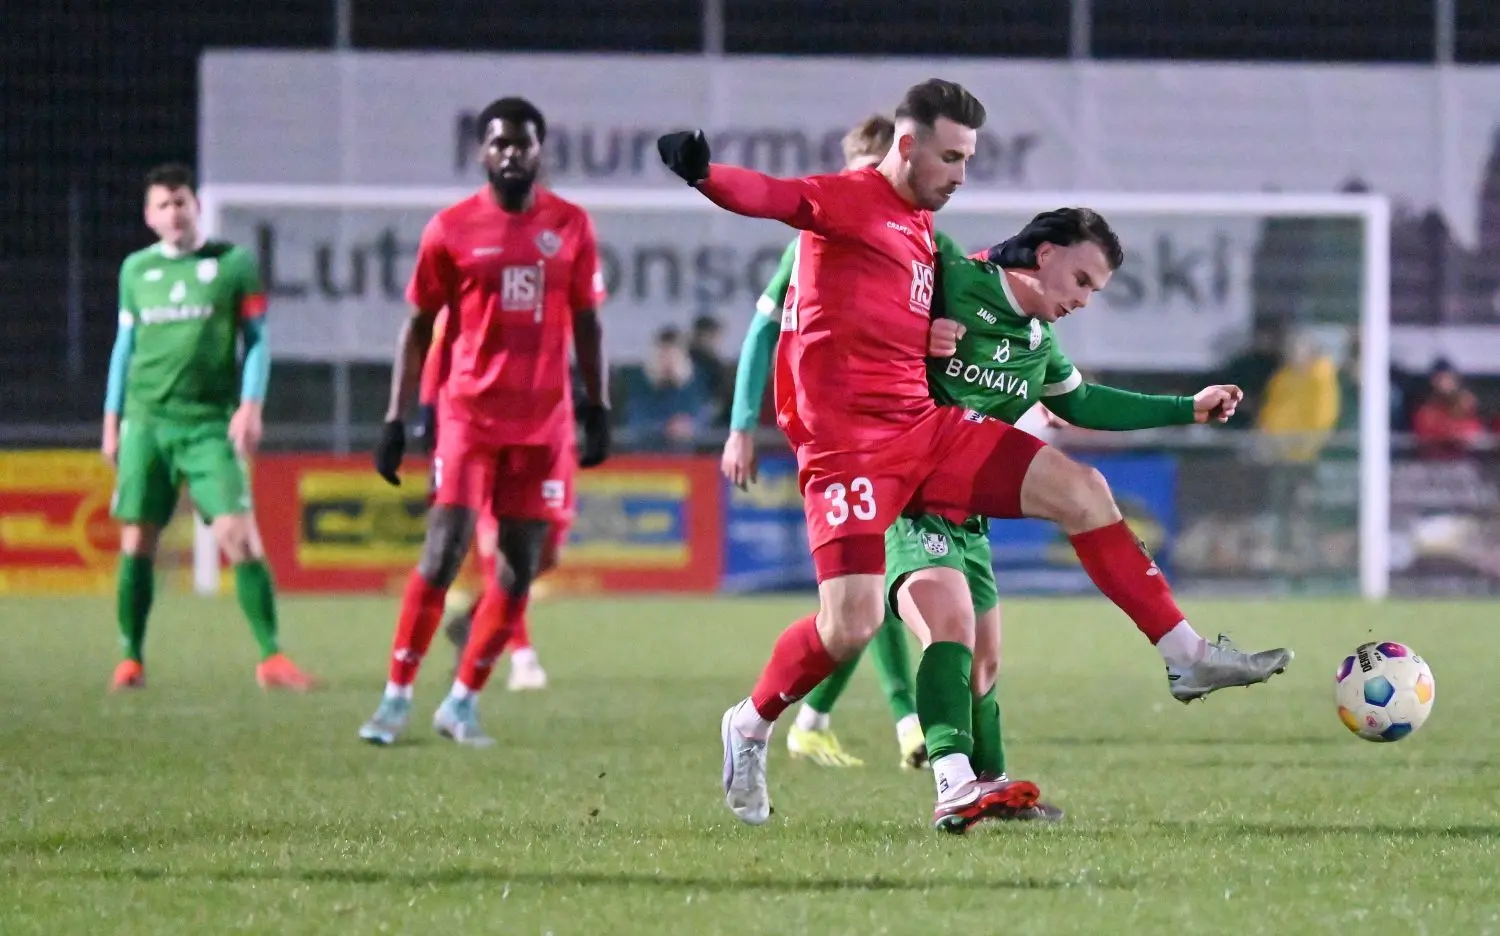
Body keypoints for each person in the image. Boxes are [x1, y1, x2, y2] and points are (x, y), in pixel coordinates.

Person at [657, 77, 1293, 832]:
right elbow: (774, 195)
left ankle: (1184, 655)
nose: (961, 175)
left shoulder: (930, 239)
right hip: (848, 454)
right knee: (850, 627)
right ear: (907, 145)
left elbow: (975, 334)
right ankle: (752, 722)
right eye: (951, 157)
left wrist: (925, 337)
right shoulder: (853, 199)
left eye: (968, 160)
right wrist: (704, 174)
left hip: (923, 430)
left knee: (1082, 490)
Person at [894, 208, 1251, 829]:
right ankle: (951, 782)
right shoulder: (952, 280)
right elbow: (870, 313)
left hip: (969, 508)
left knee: (984, 662)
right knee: (949, 629)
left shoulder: (1037, 340)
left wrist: (1187, 407)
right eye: (1082, 280)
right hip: (905, 493)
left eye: (1096, 289)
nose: (1085, 299)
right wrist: (912, 334)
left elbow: (1082, 402)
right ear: (1046, 254)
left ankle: (992, 789)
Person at [359, 96, 610, 747]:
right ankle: (395, 697)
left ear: (539, 149)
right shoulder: (450, 229)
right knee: (443, 551)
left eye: (521, 144)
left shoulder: (572, 226)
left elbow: (587, 320)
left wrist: (596, 405)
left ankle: (462, 701)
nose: (510, 154)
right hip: (469, 415)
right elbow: (416, 327)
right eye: (498, 144)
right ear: (481, 151)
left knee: (520, 569)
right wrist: (397, 415)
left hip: (545, 424)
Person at [722, 114, 931, 772]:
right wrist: (740, 426)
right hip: (835, 435)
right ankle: (899, 722)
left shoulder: (914, 235)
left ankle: (819, 718)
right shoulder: (815, 236)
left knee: (870, 598)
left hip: (896, 434)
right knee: (865, 596)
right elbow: (760, 334)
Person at [102, 163, 316, 693]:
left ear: (196, 206)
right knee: (138, 540)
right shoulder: (136, 271)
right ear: (150, 217)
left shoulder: (233, 264)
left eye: (182, 202)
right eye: (163, 205)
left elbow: (258, 340)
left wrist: (251, 405)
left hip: (208, 426)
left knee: (239, 537)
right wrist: (111, 420)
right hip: (147, 423)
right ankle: (131, 658)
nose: (174, 213)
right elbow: (123, 348)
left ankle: (271, 657)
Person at [421, 309, 563, 693]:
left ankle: (473, 618)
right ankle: (522, 658)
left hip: (532, 437)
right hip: (474, 439)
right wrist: (429, 426)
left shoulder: (536, 301)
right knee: (495, 547)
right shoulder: (456, 310)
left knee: (545, 554)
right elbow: (435, 371)